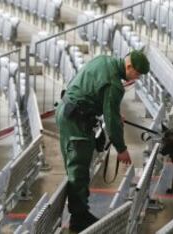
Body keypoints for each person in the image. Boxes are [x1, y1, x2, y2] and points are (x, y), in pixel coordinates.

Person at [55, 50, 150, 232]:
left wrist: (111, 111)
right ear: (129, 66)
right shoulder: (114, 84)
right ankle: (78, 217)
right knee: (78, 169)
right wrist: (121, 149)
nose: (136, 78)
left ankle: (81, 212)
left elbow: (93, 92)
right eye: (136, 74)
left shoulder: (104, 60)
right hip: (75, 121)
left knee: (79, 166)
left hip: (69, 111)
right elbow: (113, 124)